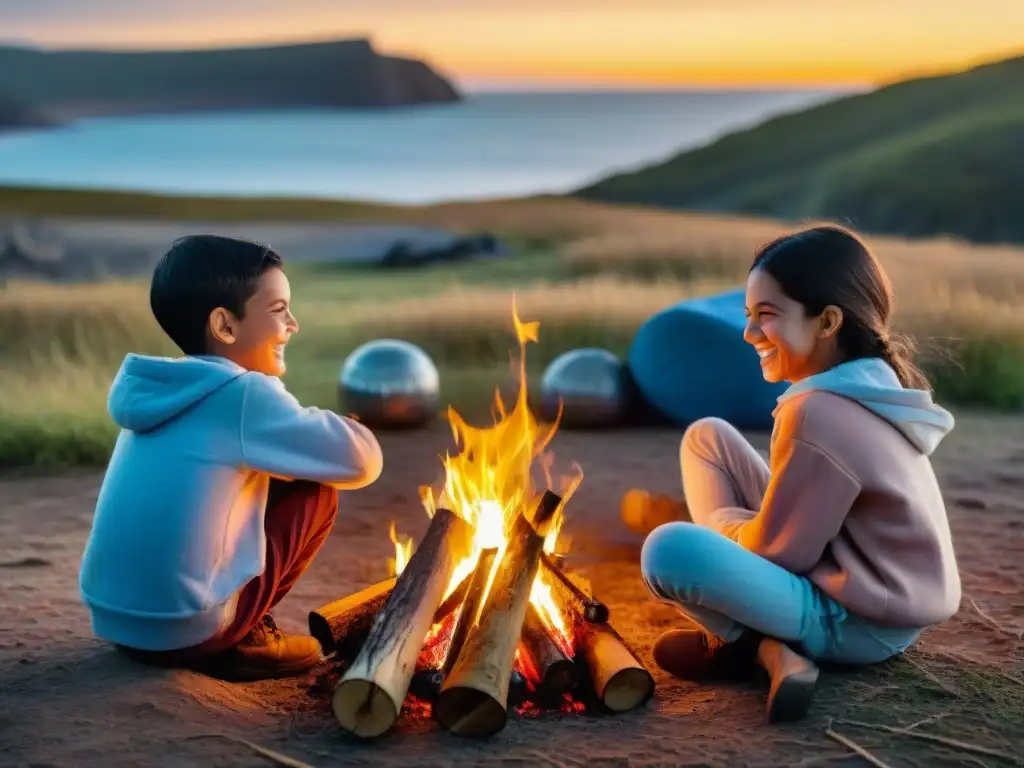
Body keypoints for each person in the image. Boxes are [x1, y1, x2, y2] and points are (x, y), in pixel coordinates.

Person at [635, 224, 960, 722]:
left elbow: (777, 552)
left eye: (766, 316)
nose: (748, 334)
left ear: (827, 321)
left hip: (857, 621)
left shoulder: (819, 409)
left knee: (668, 551)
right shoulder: (873, 385)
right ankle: (768, 650)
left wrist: (723, 528)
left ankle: (755, 646)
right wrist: (742, 527)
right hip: (880, 599)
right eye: (748, 315)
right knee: (708, 438)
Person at [79, 235, 384, 682]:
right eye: (279, 310)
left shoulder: (158, 390)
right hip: (185, 630)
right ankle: (244, 637)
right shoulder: (242, 393)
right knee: (317, 490)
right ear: (224, 325)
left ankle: (227, 627)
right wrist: (347, 426)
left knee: (265, 471)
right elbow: (363, 462)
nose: (293, 324)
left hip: (117, 623)